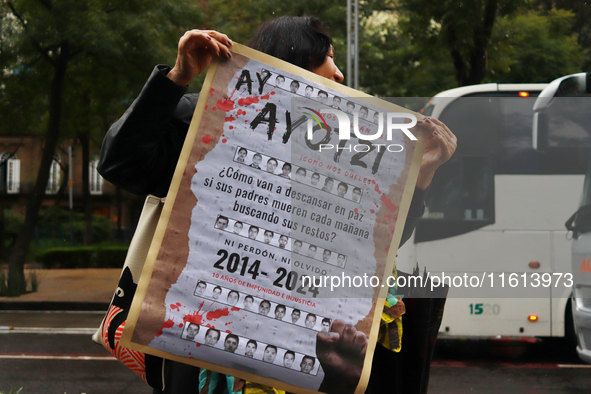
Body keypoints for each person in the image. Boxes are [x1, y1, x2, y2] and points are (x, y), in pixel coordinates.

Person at [99, 14, 457, 394]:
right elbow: (122, 164)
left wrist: (422, 177)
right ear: (298, 60)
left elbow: (373, 251)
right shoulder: (209, 115)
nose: (338, 74)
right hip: (212, 361)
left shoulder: (346, 148)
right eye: (330, 57)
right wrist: (178, 76)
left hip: (306, 356)